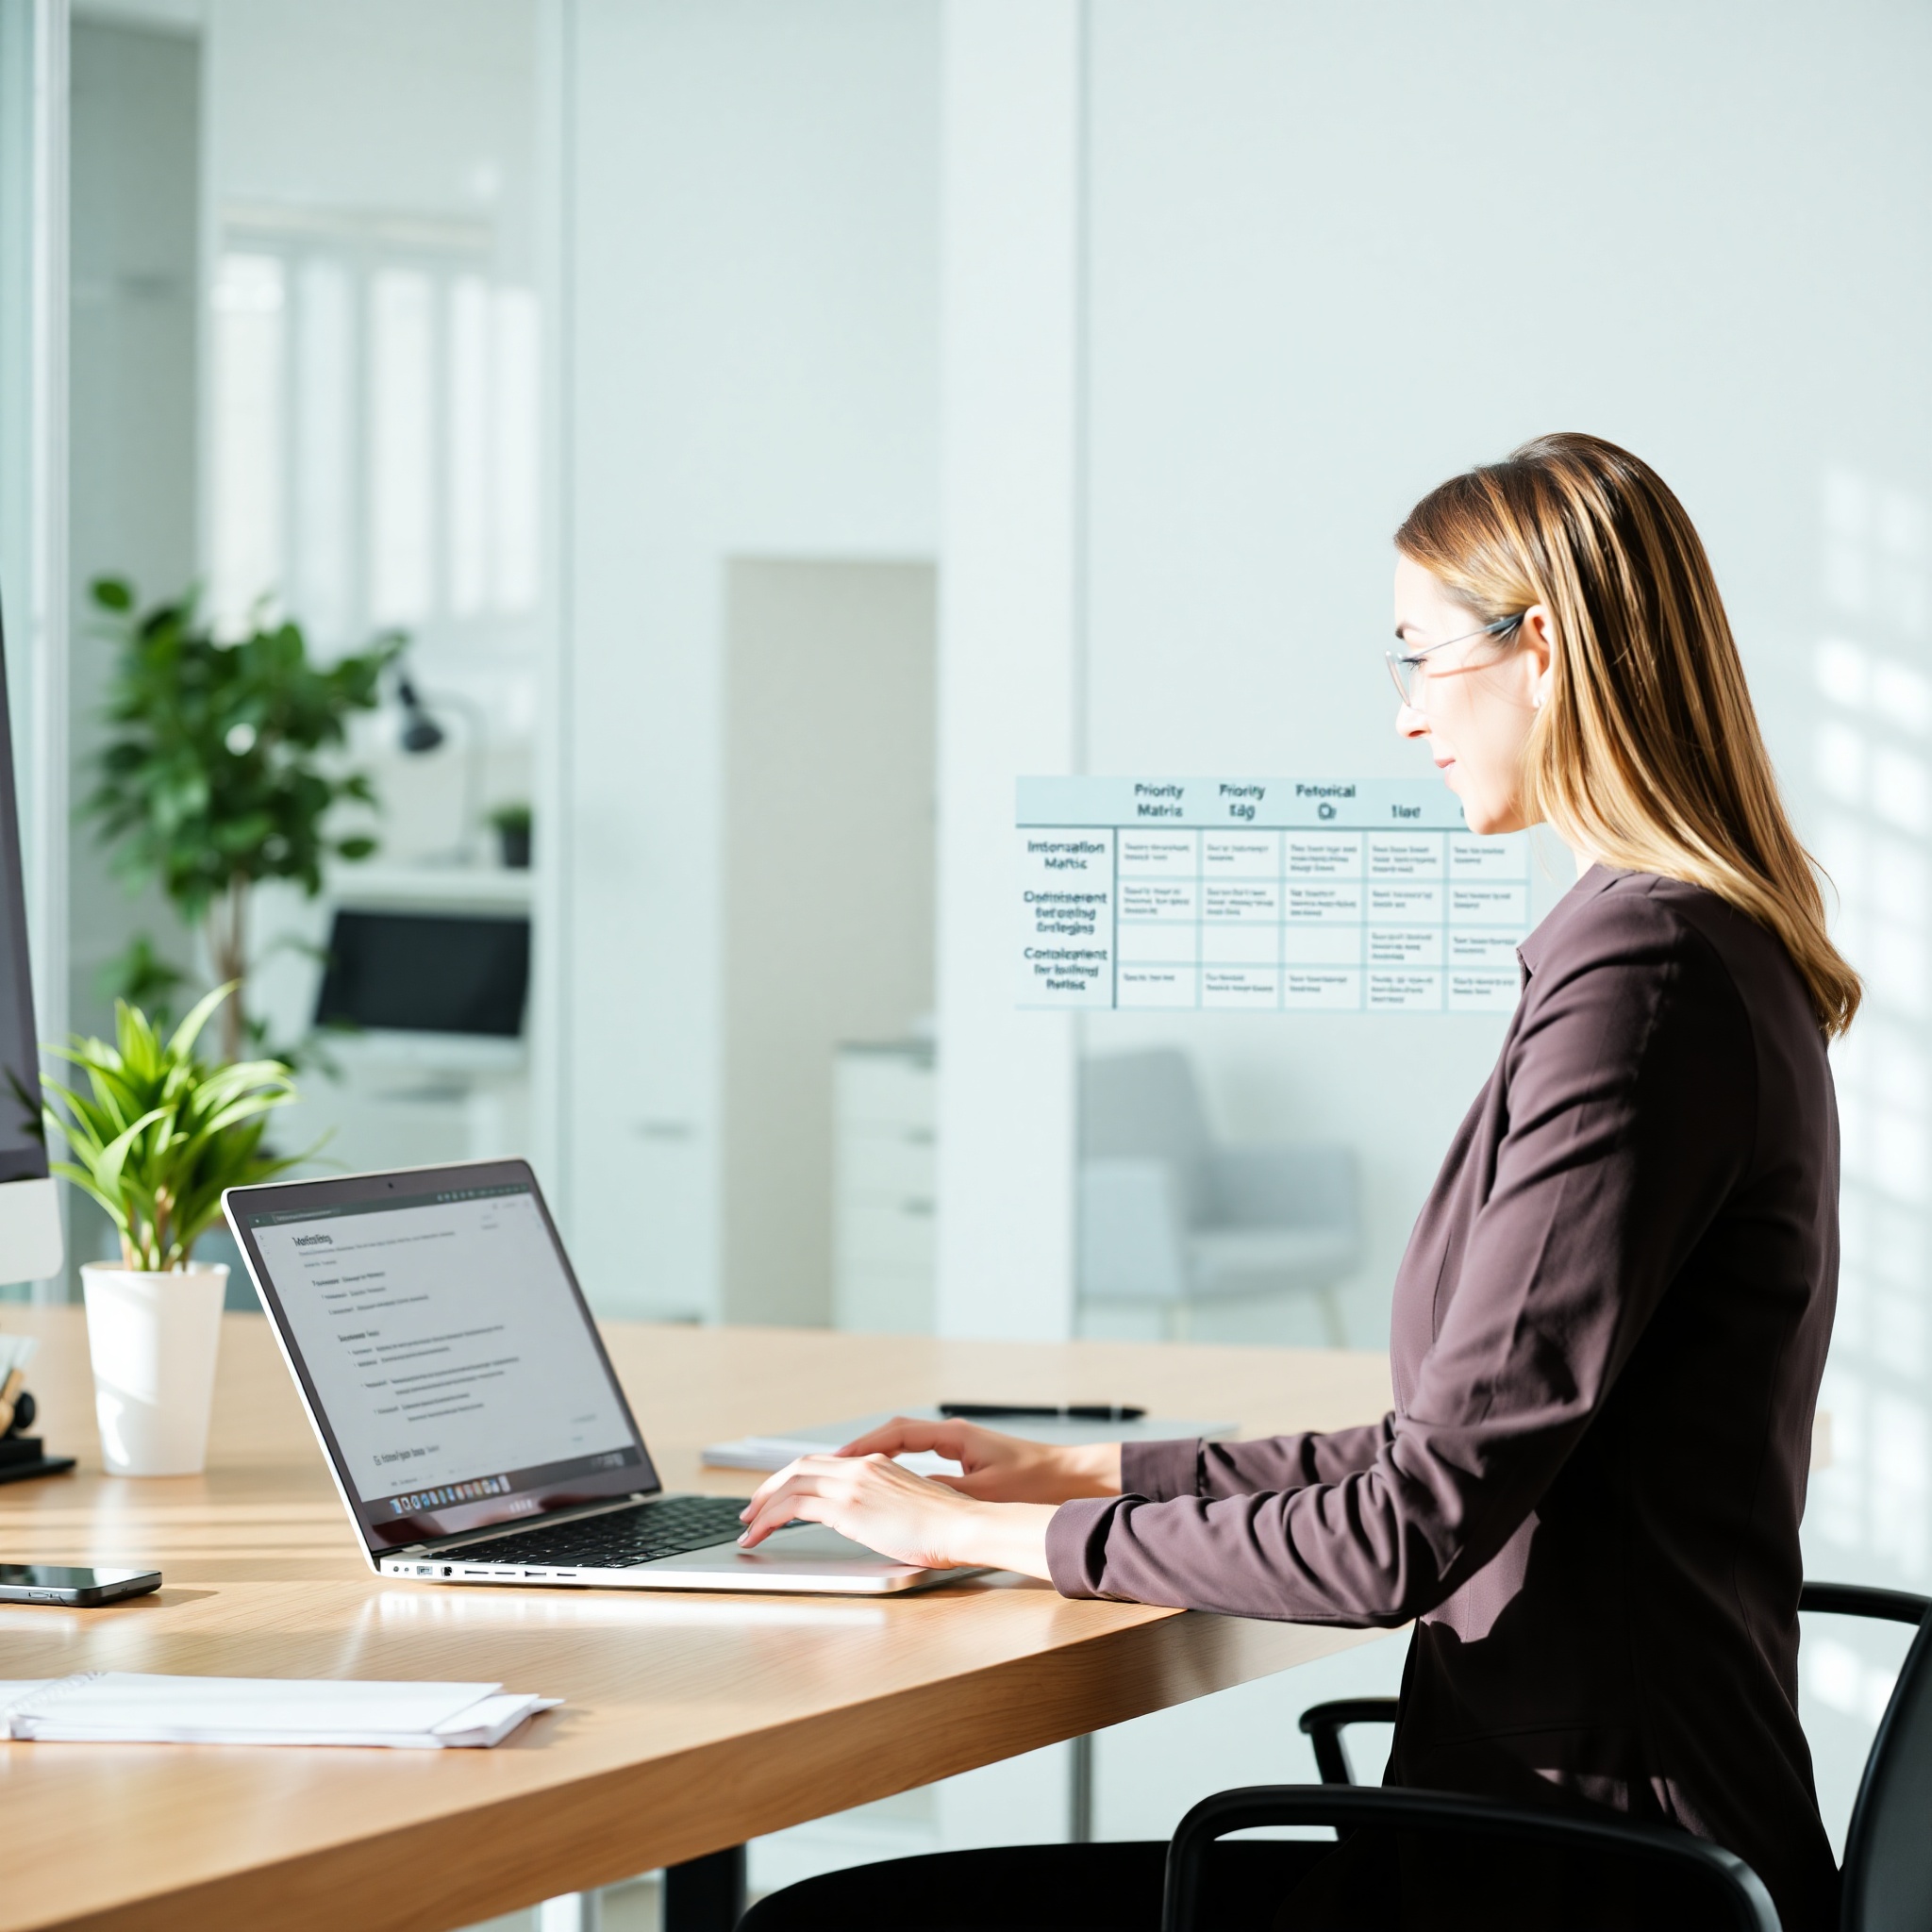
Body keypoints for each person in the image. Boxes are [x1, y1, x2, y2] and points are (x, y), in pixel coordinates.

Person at [737, 433, 1855, 1932]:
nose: (1407, 721)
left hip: (1587, 1865)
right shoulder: (1697, 951)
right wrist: (1075, 1472)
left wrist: (969, 1533)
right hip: (1588, 1812)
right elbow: (1441, 1445)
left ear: (1543, 650)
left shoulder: (1640, 977)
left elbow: (1408, 1522)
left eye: (1418, 658)